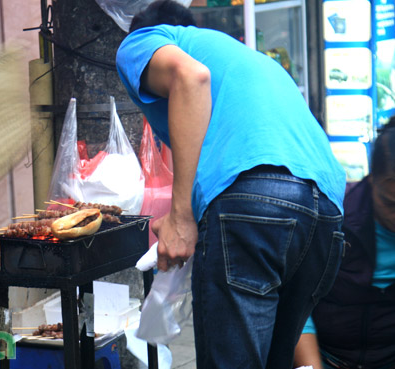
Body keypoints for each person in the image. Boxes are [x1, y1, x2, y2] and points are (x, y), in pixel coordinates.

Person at [116, 1, 347, 368]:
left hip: (255, 197)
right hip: (327, 211)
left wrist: (181, 217)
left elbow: (190, 78)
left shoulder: (143, 40)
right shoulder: (247, 60)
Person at [293, 119, 395, 369]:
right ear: (371, 180)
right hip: (326, 358)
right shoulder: (332, 219)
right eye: (391, 205)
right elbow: (296, 305)